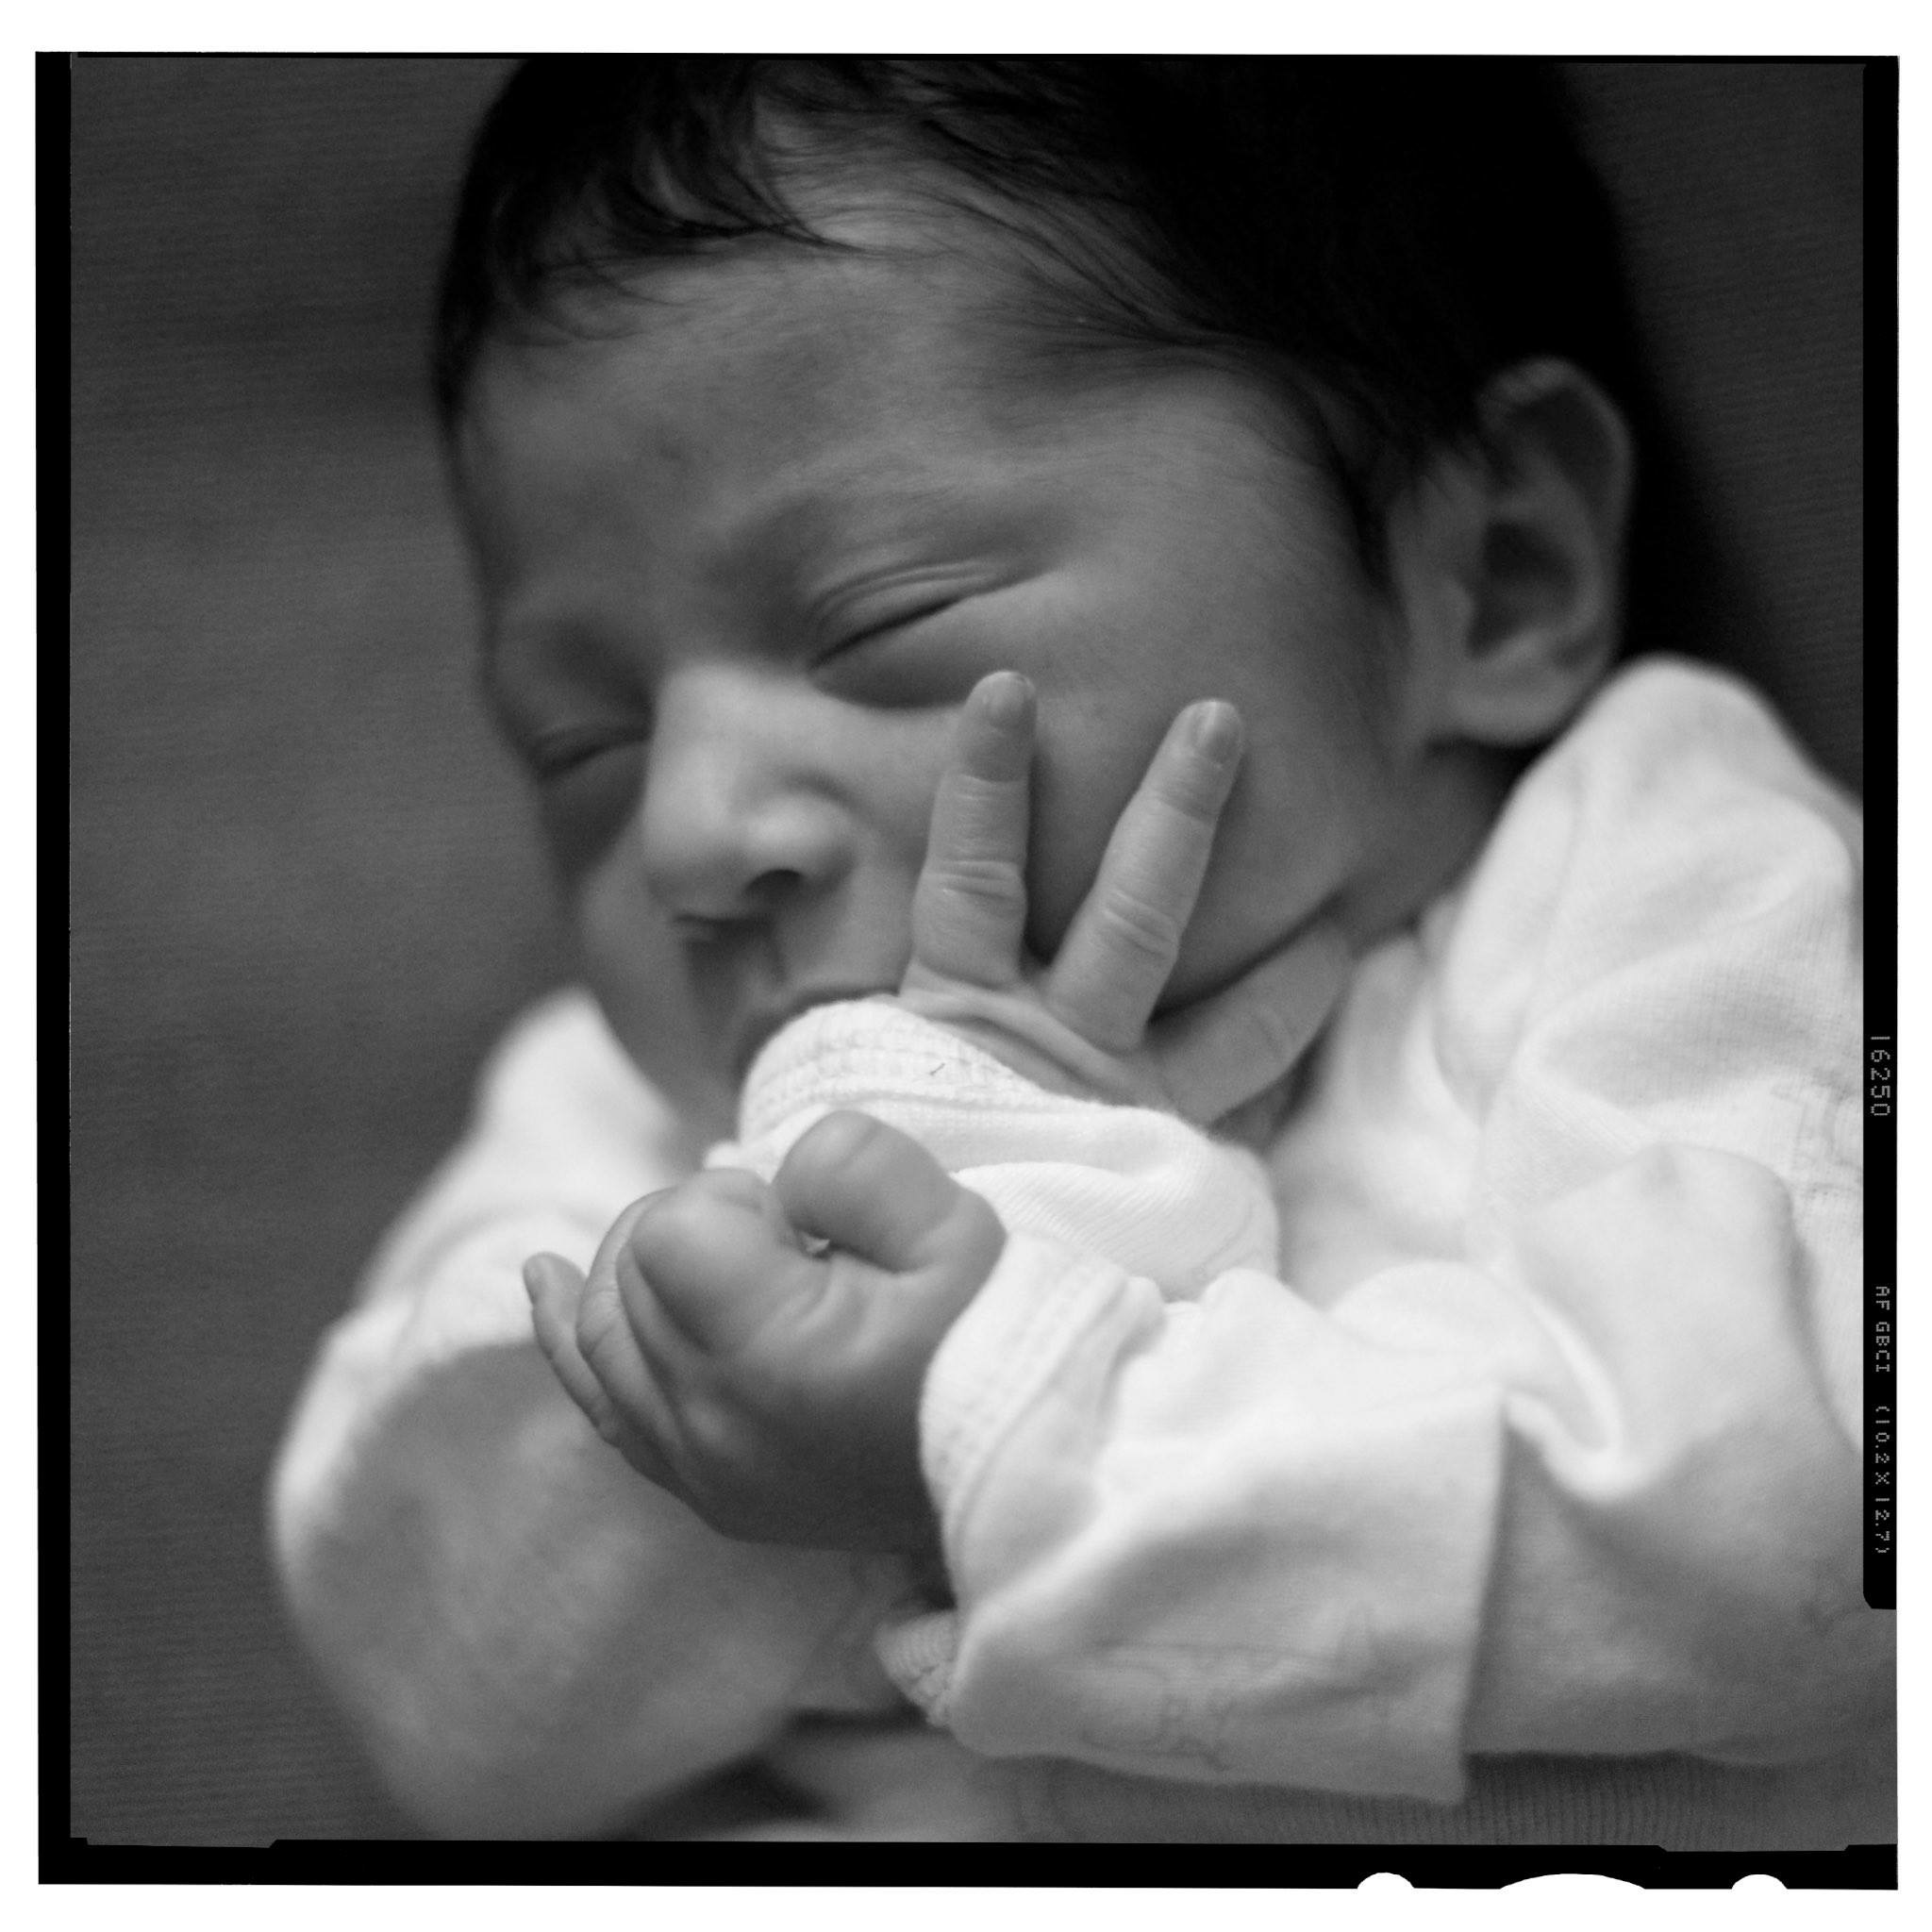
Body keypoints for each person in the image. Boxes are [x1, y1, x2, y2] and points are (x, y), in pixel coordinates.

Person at [270, 58, 1886, 1842]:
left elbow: (1796, 1534)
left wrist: (1000, 1420)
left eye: (882, 613)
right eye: (581, 744)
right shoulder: (627, 1117)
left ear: (1493, 570)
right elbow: (442, 1689)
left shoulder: (1674, 885)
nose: (689, 833)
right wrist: (903, 1146)